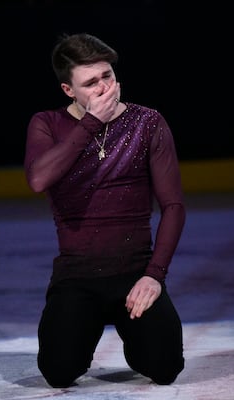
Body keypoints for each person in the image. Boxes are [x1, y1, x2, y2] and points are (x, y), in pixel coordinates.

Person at [24, 32, 186, 388]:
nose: (103, 88)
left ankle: (136, 336)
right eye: (91, 82)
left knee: (165, 367)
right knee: (58, 372)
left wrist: (154, 276)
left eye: (107, 76)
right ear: (69, 90)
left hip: (135, 273)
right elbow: (38, 180)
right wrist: (91, 124)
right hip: (77, 277)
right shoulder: (47, 124)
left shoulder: (148, 122)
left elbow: (173, 206)